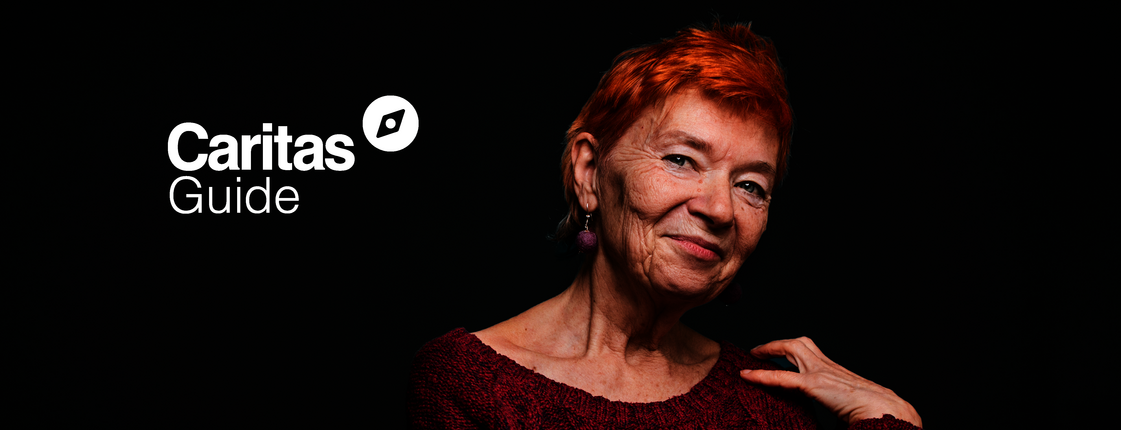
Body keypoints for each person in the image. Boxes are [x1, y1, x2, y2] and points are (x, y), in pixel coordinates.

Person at [408, 22, 922, 429]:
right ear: (590, 173)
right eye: (681, 160)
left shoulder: (771, 409)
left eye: (750, 186)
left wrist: (891, 420)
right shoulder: (465, 384)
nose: (720, 209)